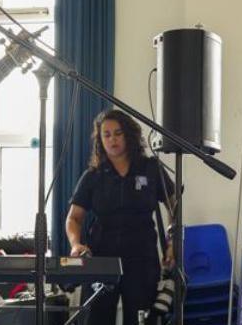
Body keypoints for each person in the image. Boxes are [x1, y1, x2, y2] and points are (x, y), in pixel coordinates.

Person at [65, 109, 175, 325]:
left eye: (118, 133)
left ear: (129, 135)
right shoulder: (93, 175)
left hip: (142, 259)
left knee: (142, 320)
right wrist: (76, 244)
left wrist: (172, 244)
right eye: (106, 135)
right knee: (96, 319)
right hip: (102, 259)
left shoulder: (151, 168)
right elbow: (74, 218)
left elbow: (175, 210)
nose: (112, 139)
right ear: (100, 140)